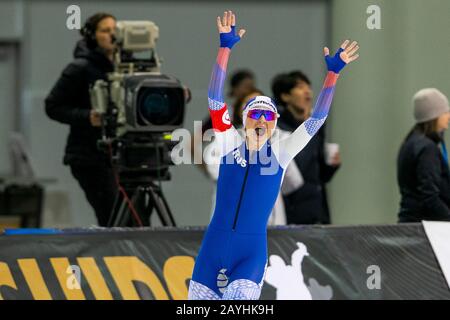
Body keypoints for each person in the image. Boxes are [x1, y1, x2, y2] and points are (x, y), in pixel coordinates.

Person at [188, 10, 359, 300]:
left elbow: (315, 121)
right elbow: (216, 99)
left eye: (268, 117)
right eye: (256, 114)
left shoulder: (280, 152)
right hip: (211, 251)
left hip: (250, 254)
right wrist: (224, 49)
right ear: (244, 120)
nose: (262, 121)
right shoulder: (229, 143)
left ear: (274, 123)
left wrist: (333, 74)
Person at [45, 13, 118, 226]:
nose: (112, 35)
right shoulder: (80, 68)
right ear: (92, 36)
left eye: (115, 30)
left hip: (119, 155)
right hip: (89, 156)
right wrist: (87, 117)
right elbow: (52, 106)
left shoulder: (125, 68)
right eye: (105, 30)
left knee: (136, 218)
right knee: (112, 216)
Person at [203, 88, 304, 225]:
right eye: (254, 110)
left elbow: (293, 183)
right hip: (231, 221)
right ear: (242, 111)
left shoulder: (280, 141)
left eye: (265, 111)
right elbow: (215, 171)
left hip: (270, 225)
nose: (261, 116)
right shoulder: (227, 139)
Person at [271, 71, 341, 224]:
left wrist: (331, 166)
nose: (307, 91)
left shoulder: (315, 127)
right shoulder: (277, 130)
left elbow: (320, 175)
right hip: (291, 211)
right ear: (285, 96)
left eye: (308, 87)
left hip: (318, 209)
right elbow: (294, 169)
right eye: (300, 87)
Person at [397, 88, 450, 222]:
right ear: (433, 115)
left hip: (411, 224)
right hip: (424, 228)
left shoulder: (411, 142)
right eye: (445, 112)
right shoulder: (427, 149)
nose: (448, 116)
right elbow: (430, 197)